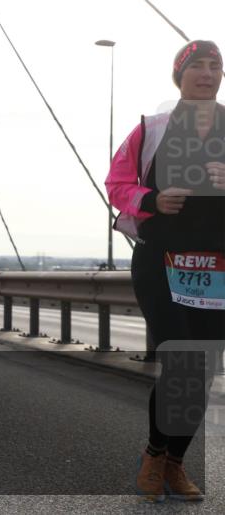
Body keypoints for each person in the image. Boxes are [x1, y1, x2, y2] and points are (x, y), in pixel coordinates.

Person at [106, 40, 224, 503]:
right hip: (160, 261)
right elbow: (117, 184)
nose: (208, 72)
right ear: (180, 74)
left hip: (214, 268)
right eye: (197, 64)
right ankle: (155, 454)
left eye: (216, 66)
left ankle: (175, 462)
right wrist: (153, 200)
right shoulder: (151, 129)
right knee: (180, 361)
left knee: (204, 368)